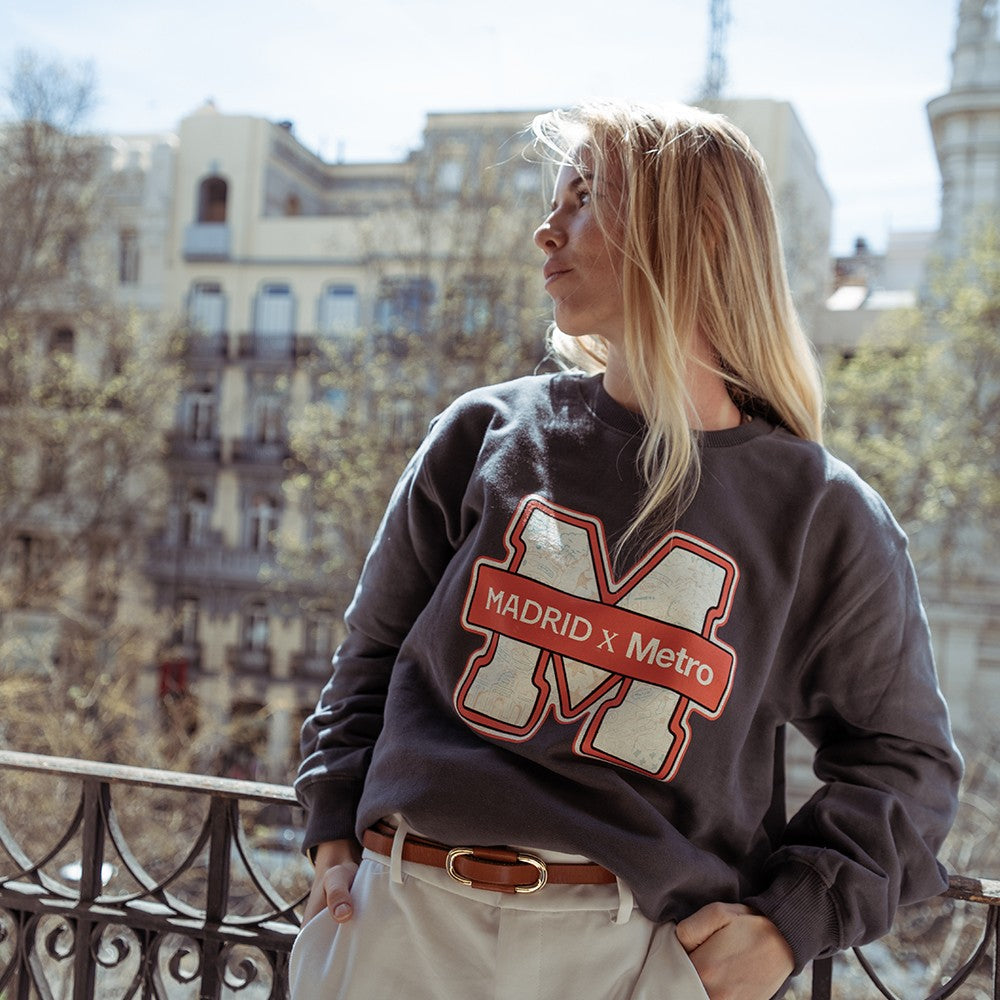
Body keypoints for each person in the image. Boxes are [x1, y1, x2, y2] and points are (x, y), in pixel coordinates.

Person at [291, 100, 962, 1000]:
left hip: (635, 958)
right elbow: (370, 651)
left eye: (585, 197)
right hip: (400, 926)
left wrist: (788, 923)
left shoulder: (822, 515)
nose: (546, 228)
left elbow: (905, 765)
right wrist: (332, 819)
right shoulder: (483, 435)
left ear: (690, 232)